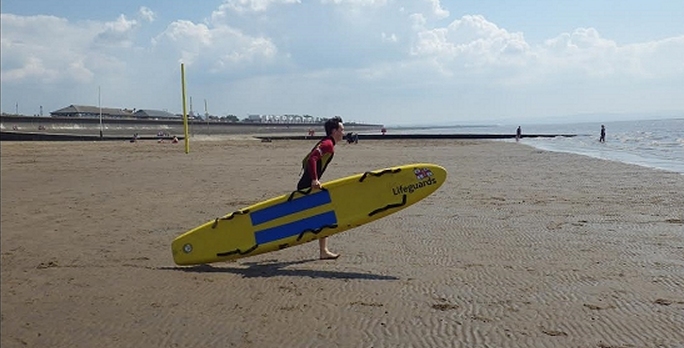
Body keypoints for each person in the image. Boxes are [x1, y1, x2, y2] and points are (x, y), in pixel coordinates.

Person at [297, 116, 345, 260]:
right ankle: (323, 251)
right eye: (341, 129)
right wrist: (314, 179)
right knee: (323, 216)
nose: (343, 132)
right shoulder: (328, 144)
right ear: (334, 131)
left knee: (323, 216)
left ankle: (323, 251)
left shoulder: (328, 143)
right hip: (308, 187)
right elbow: (312, 158)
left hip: (309, 186)